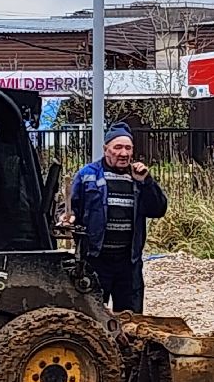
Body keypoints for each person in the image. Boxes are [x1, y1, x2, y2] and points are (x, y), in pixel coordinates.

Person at [70, 122, 168, 313]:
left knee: (131, 318)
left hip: (128, 263)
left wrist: (147, 182)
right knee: (92, 315)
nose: (123, 153)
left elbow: (158, 210)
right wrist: (67, 218)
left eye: (128, 148)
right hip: (95, 261)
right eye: (118, 147)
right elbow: (69, 208)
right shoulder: (87, 175)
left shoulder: (138, 178)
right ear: (106, 149)